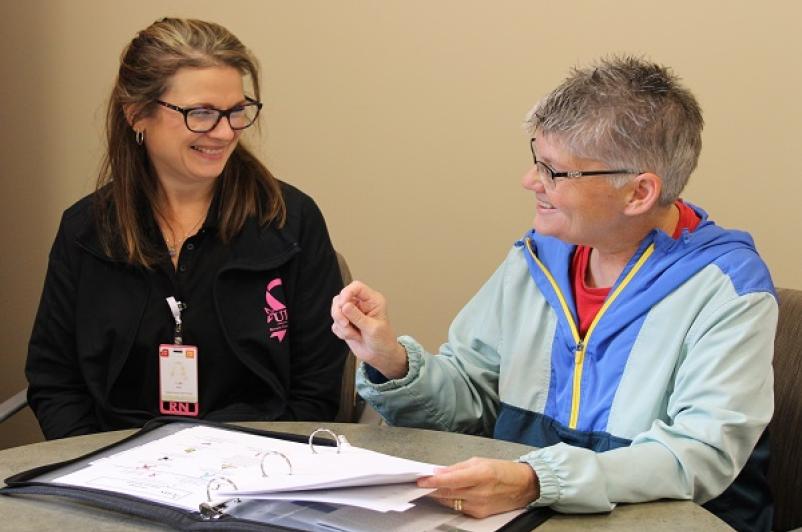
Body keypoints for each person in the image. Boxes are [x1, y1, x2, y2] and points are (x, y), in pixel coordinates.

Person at [331, 56, 776, 532]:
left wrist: (536, 480)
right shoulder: (535, 259)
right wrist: (393, 361)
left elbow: (699, 454)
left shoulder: (729, 288)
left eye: (555, 172)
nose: (530, 182)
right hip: (529, 517)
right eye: (535, 160)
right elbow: (474, 403)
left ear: (639, 193)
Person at [26, 18, 347, 440]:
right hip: (115, 469)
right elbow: (55, 381)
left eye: (236, 112)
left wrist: (254, 468)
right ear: (137, 114)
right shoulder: (86, 231)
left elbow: (317, 389)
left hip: (259, 471)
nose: (225, 132)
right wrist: (93, 464)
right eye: (201, 113)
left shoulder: (290, 220)